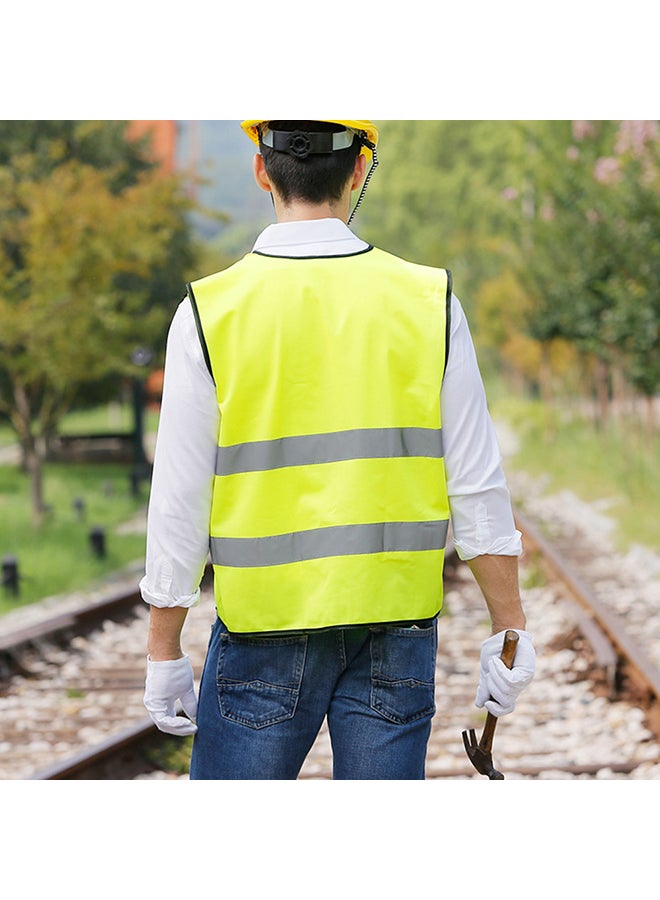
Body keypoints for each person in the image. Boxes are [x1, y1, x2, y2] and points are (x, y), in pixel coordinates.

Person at [141, 120, 536, 780]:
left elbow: (178, 501)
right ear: (358, 171)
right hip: (395, 633)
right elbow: (476, 485)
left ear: (262, 171)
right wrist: (509, 627)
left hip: (262, 633)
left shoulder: (210, 311)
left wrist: (163, 650)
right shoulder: (428, 301)